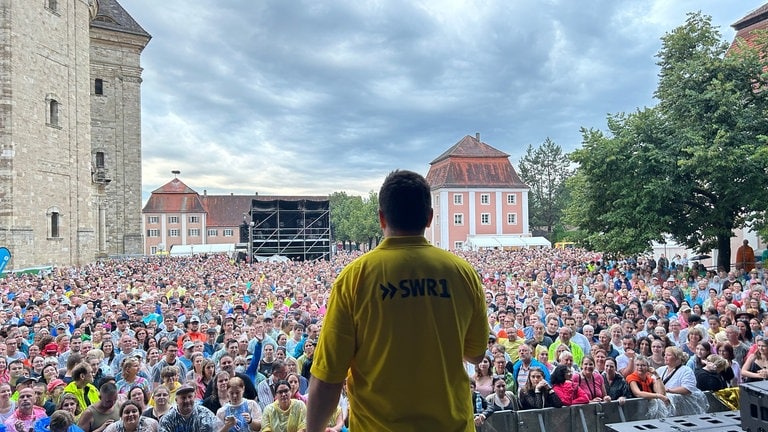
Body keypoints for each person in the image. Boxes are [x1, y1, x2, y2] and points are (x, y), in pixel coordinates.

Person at [307, 170, 487, 432]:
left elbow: (327, 379)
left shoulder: (354, 278)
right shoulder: (462, 273)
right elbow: (475, 353)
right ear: (429, 217)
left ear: (381, 217)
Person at [656, 347, 708, 416]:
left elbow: (687, 388)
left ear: (677, 358)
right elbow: (652, 383)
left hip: (682, 408)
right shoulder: (660, 370)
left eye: (668, 355)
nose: (665, 357)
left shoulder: (686, 370)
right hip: (663, 405)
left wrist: (668, 390)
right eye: (665, 354)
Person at [158, 385, 222, 432]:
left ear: (194, 397)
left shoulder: (205, 415)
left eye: (190, 397)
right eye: (183, 398)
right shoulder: (167, 419)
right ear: (176, 400)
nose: (187, 400)